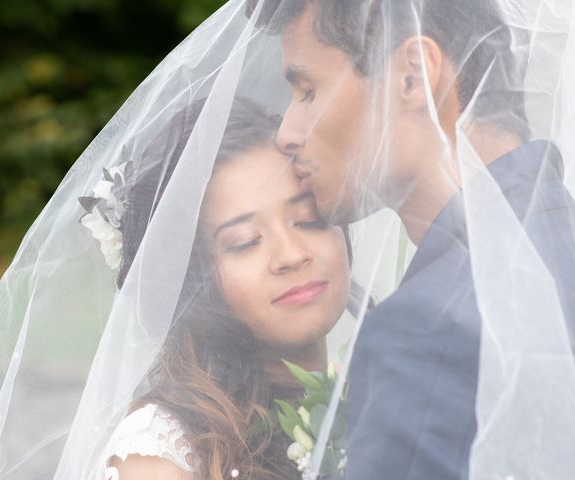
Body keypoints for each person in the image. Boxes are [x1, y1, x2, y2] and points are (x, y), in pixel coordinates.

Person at [247, 0, 575, 478]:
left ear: (413, 76)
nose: (286, 133)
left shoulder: (426, 330)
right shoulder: (559, 233)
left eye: (308, 91)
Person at [93, 97, 356, 480]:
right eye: (246, 241)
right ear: (192, 282)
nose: (292, 255)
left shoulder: (384, 390)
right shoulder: (165, 450)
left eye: (308, 218)